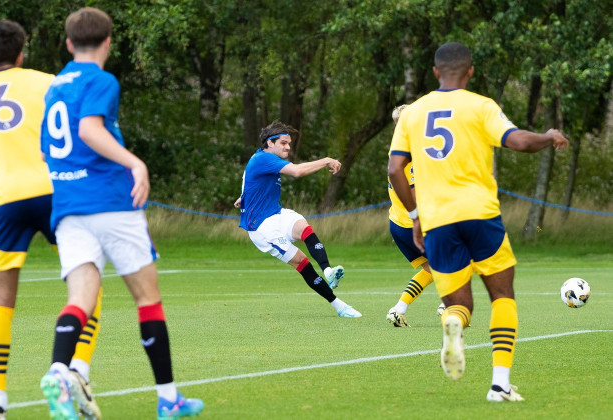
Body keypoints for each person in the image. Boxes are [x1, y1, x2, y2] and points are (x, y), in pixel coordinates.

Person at [38, 8, 203, 420]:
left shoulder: (55, 86)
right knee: (147, 300)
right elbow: (90, 130)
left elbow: (46, 149)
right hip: (112, 203)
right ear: (109, 42)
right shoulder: (102, 80)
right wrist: (136, 164)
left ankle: (59, 370)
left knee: (81, 299)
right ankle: (169, 399)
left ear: (69, 43)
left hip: (69, 207)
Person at [0, 20, 102, 420]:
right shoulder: (50, 82)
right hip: (56, 195)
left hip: (2, 201)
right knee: (86, 286)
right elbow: (82, 135)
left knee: (0, 303)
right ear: (22, 53)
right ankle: (77, 372)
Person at [388, 42, 568, 402]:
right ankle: (500, 383)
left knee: (459, 304)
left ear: (436, 72)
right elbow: (517, 141)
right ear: (470, 71)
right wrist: (548, 137)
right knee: (502, 295)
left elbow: (394, 169)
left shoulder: (413, 112)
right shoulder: (480, 105)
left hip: (437, 221)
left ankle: (452, 324)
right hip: (480, 215)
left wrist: (415, 217)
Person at [235, 120, 362, 318]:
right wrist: (326, 160)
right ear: (269, 143)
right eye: (283, 143)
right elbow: (298, 171)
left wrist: (243, 198)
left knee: (304, 227)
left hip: (276, 214)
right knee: (301, 261)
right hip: (261, 228)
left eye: (289, 143)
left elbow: (248, 180)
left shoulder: (261, 159)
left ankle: (328, 271)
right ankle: (339, 306)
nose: (288, 147)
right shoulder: (263, 159)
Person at [385, 104, 444, 327]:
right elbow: (415, 192)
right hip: (415, 224)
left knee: (430, 269)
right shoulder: (410, 153)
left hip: (397, 223)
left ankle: (398, 310)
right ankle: (449, 305)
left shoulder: (398, 149)